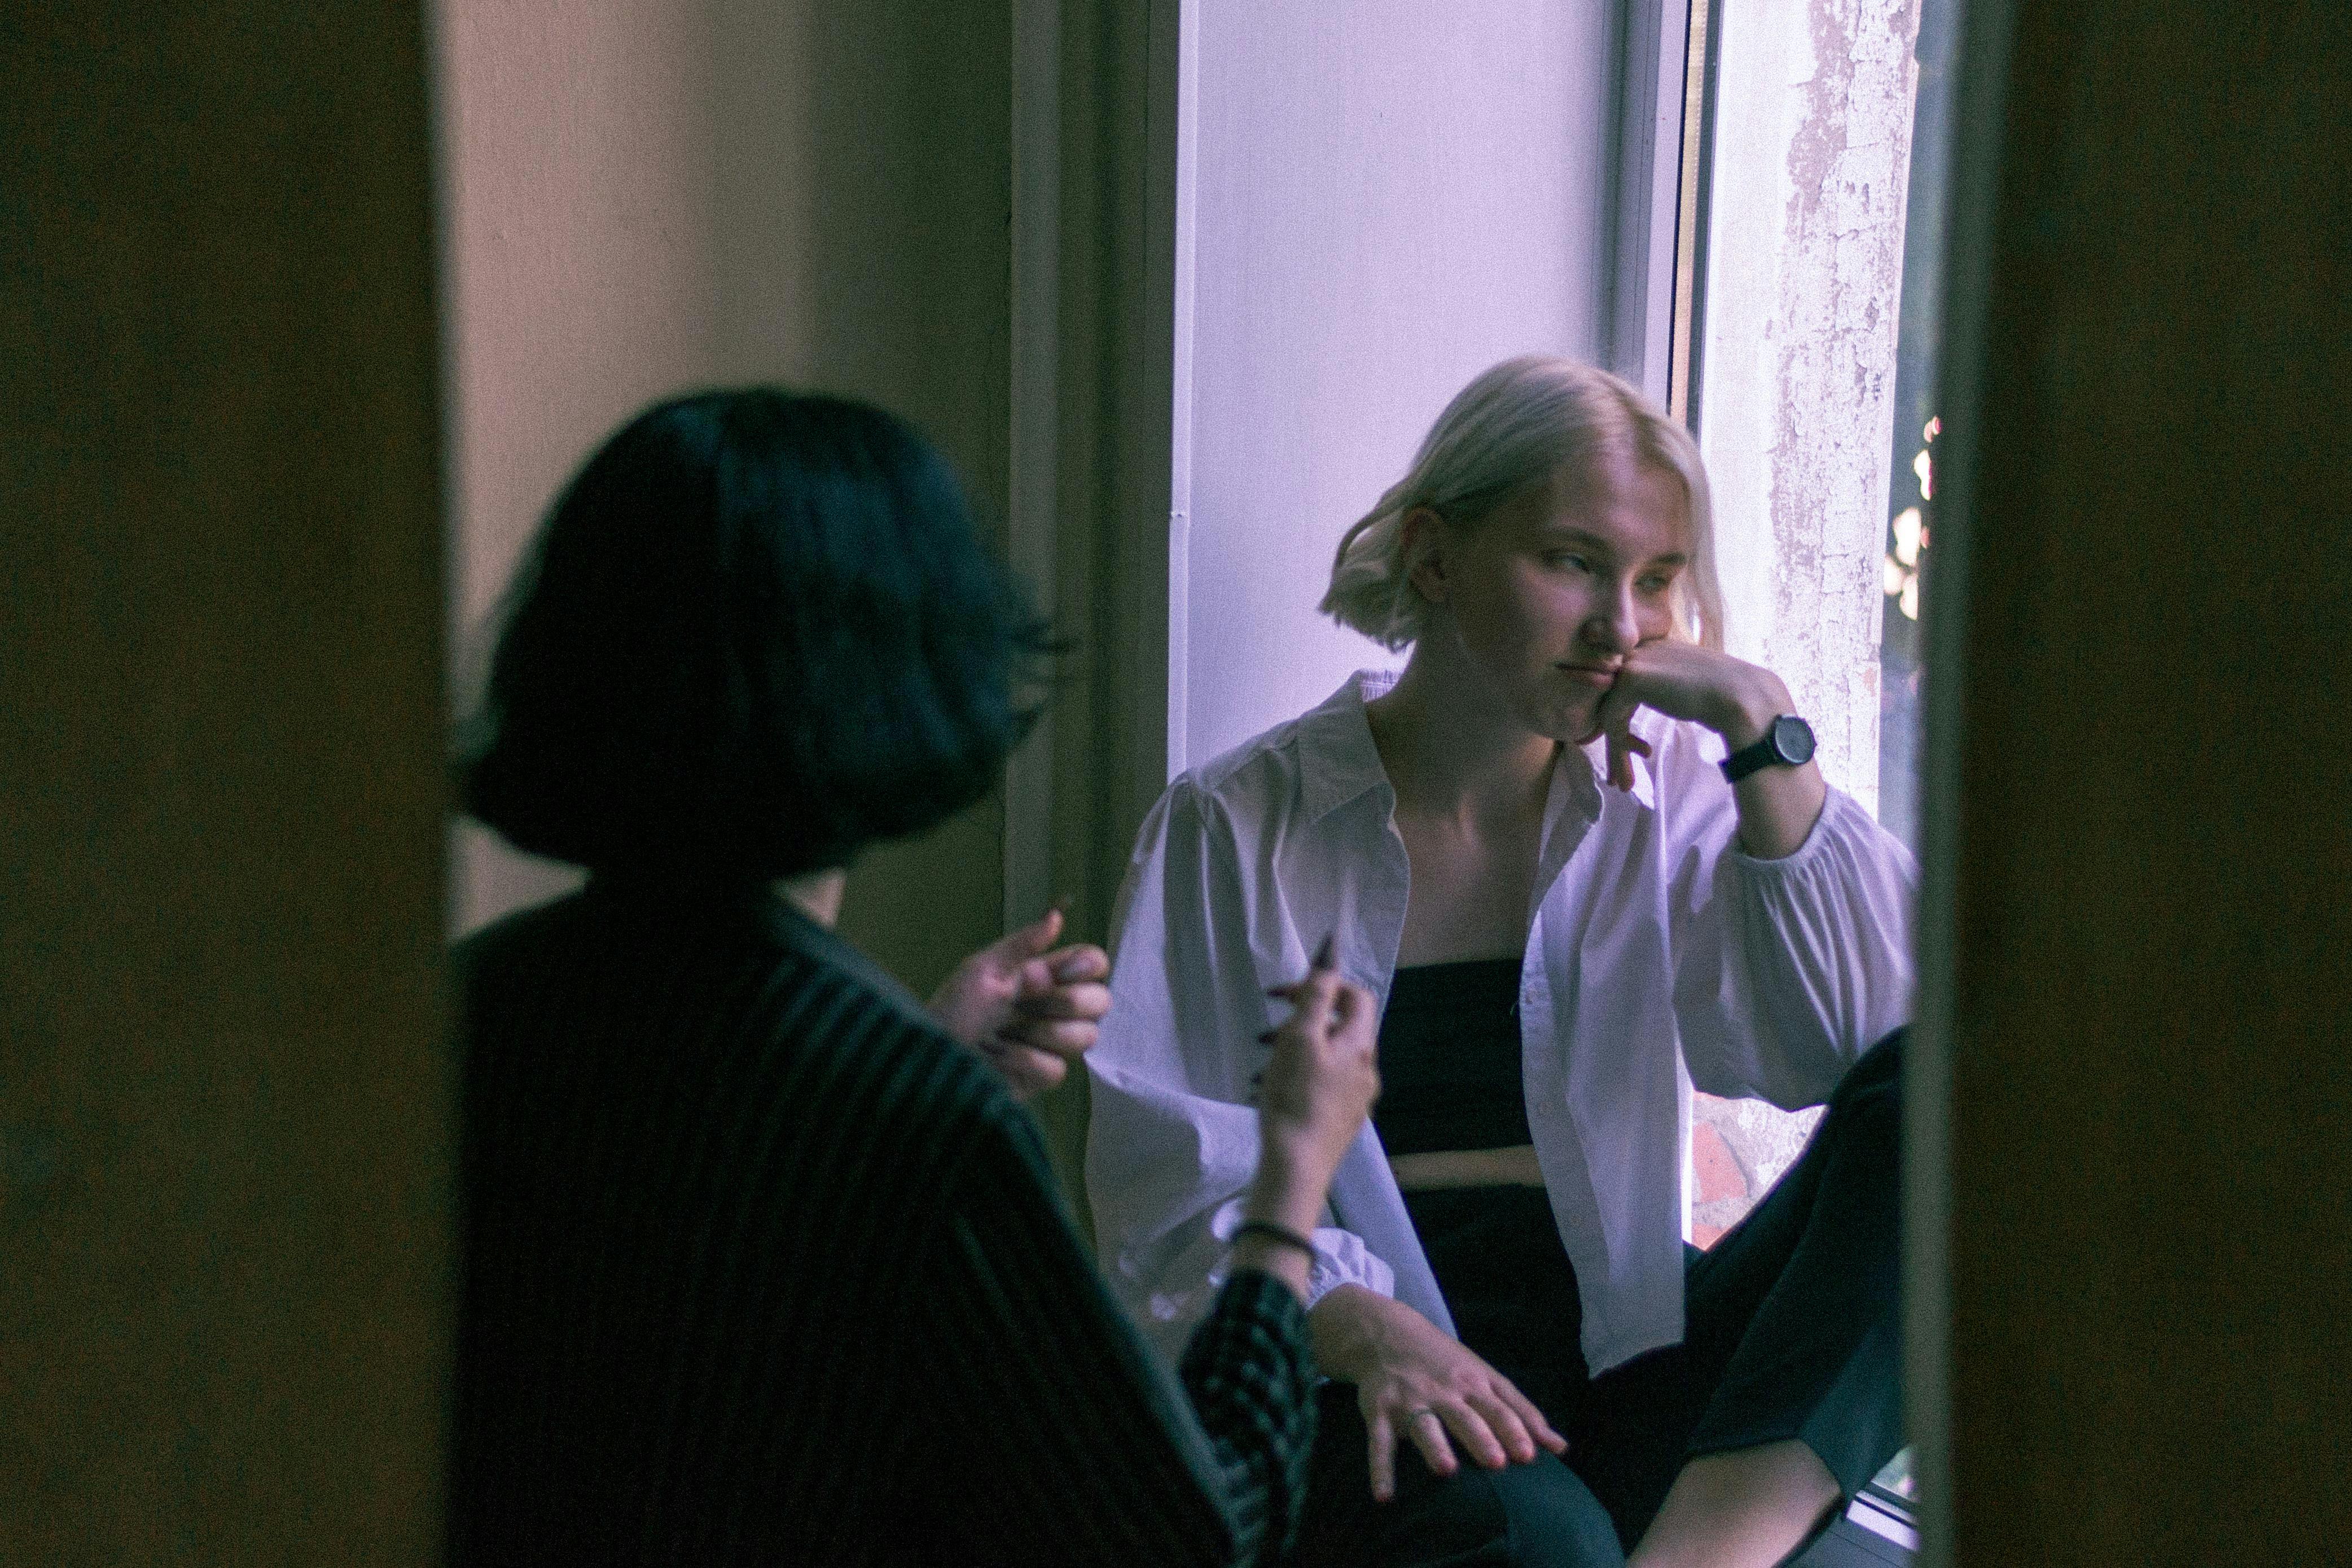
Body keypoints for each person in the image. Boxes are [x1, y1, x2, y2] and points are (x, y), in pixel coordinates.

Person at [446, 387, 1383, 1567]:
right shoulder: (906, 1122)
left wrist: (929, 1054)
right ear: (898, 677)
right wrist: (1288, 1184)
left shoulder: (456, 1012)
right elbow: (1181, 1539)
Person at [1083, 356, 1915, 1568]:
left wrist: (1759, 728)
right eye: (1572, 562)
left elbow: (1849, 1048)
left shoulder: (1668, 797)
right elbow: (1170, 1180)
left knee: (1955, 1099)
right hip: (1369, 1405)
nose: (1618, 626)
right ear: (1432, 557)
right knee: (1538, 1546)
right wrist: (1359, 1324)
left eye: (1656, 580)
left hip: (1625, 1368)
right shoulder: (1235, 826)